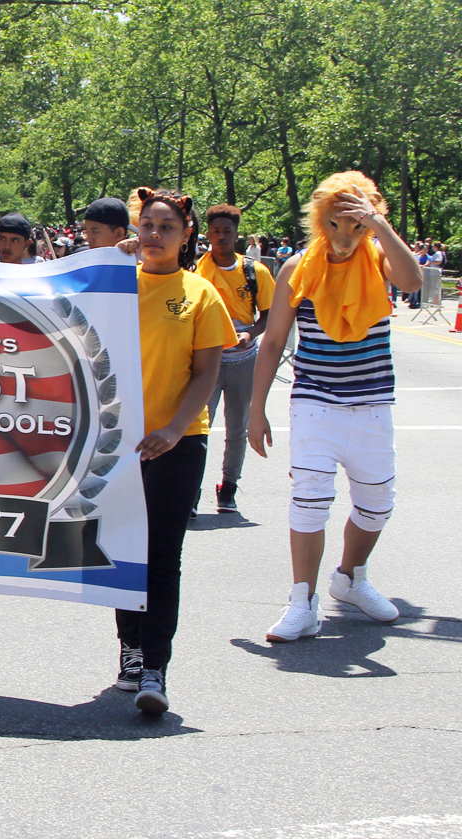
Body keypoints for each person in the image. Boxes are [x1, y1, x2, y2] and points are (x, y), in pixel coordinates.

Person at [249, 171, 422, 643]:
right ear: (319, 221)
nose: (345, 237)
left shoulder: (381, 257)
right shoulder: (297, 267)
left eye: (355, 225)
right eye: (334, 224)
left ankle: (350, 578)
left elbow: (413, 281)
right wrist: (256, 408)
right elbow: (274, 342)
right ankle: (302, 602)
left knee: (377, 505)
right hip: (314, 404)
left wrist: (380, 228)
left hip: (372, 404)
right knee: (308, 503)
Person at [114, 188, 236, 716]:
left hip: (178, 443)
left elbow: (207, 373)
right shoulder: (112, 284)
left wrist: (174, 429)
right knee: (120, 550)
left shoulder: (201, 293)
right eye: (148, 226)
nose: (155, 235)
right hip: (115, 444)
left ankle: (155, 666)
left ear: (187, 235)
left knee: (162, 557)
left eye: (167, 227)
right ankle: (130, 646)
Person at [195, 204, 274, 514]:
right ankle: (192, 492)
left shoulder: (256, 271)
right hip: (208, 363)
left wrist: (251, 333)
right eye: (216, 231)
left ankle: (228, 487)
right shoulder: (199, 270)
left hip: (244, 360)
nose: (222, 236)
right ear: (209, 235)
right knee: (198, 428)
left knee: (237, 428)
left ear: (237, 234)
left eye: (227, 231)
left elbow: (269, 316)